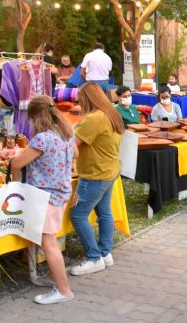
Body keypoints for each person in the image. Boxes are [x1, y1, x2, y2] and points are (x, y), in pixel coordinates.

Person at [7, 95, 75, 304]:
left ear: (36, 116)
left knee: (49, 243)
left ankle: (63, 291)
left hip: (45, 195)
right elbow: (76, 154)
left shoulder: (42, 138)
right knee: (51, 239)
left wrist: (14, 168)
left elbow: (17, 163)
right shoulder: (66, 132)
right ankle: (55, 277)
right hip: (61, 191)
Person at [69, 81, 124, 276]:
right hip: (109, 170)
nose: (78, 103)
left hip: (95, 173)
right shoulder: (111, 113)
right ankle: (105, 253)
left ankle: (94, 258)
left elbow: (72, 146)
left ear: (87, 99)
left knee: (77, 215)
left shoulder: (93, 118)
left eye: (80, 99)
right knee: (104, 212)